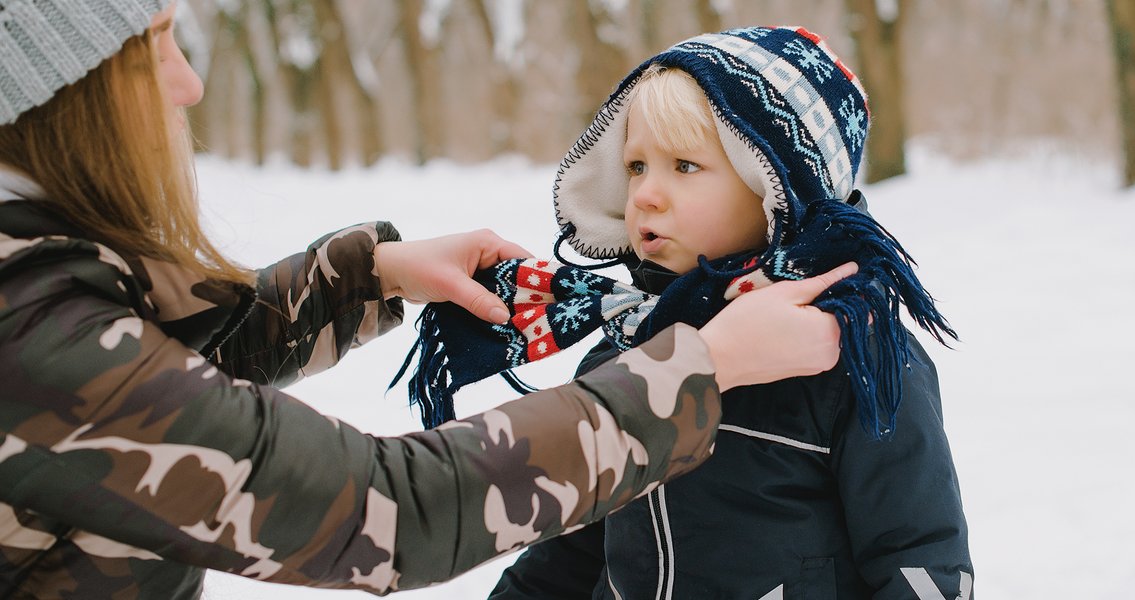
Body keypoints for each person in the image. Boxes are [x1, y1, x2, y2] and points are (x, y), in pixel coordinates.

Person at [0, 5, 858, 599]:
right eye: (157, 47)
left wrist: (369, 273)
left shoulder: (33, 271)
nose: (187, 85)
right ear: (62, 90)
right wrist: (697, 372)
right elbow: (384, 508)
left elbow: (158, 367)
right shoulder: (29, 329)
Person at [435, 27, 970, 598]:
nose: (644, 194)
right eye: (636, 166)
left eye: (684, 166)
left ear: (776, 187)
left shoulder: (852, 355)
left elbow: (918, 559)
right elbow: (565, 555)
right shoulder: (623, 347)